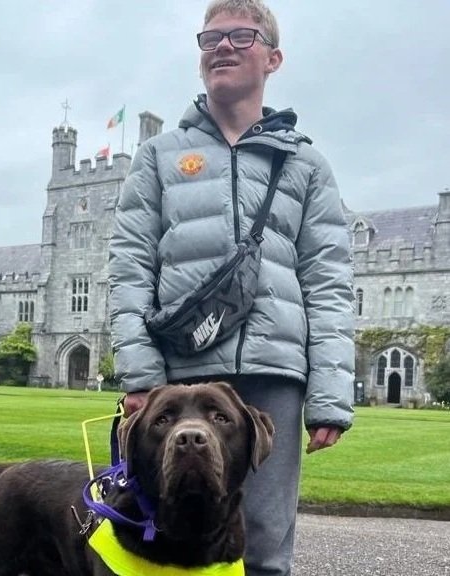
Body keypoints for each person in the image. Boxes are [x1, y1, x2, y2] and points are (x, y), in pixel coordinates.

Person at [108, 0, 355, 574]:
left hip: (273, 375)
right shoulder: (158, 157)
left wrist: (329, 394)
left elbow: (328, 281)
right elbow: (129, 267)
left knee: (264, 546)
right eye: (210, 38)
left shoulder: (306, 164)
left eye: (241, 37)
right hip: (179, 375)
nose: (221, 46)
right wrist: (141, 374)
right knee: (160, 546)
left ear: (273, 58)